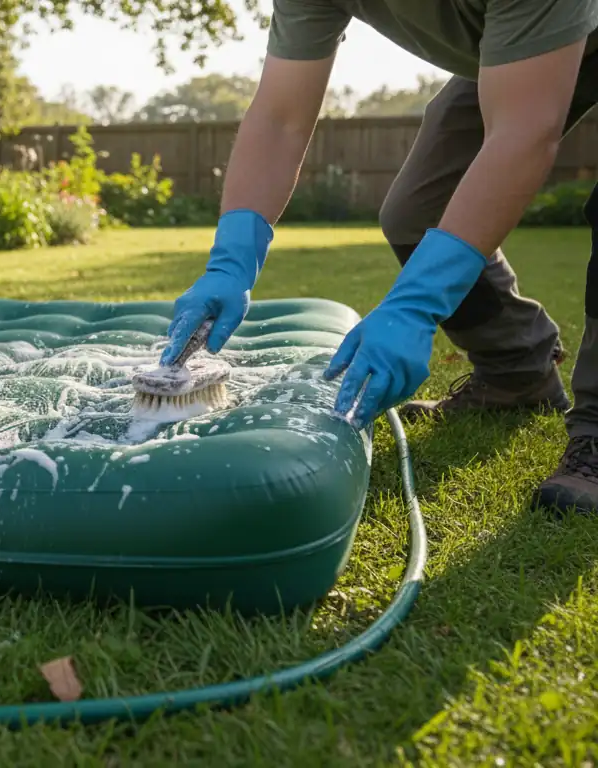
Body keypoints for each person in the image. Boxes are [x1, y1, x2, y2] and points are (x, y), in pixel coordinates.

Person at [160, 0, 598, 514]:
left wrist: (415, 304)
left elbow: (523, 134)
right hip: (528, 50)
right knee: (417, 211)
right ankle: (516, 372)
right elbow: (280, 118)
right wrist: (231, 259)